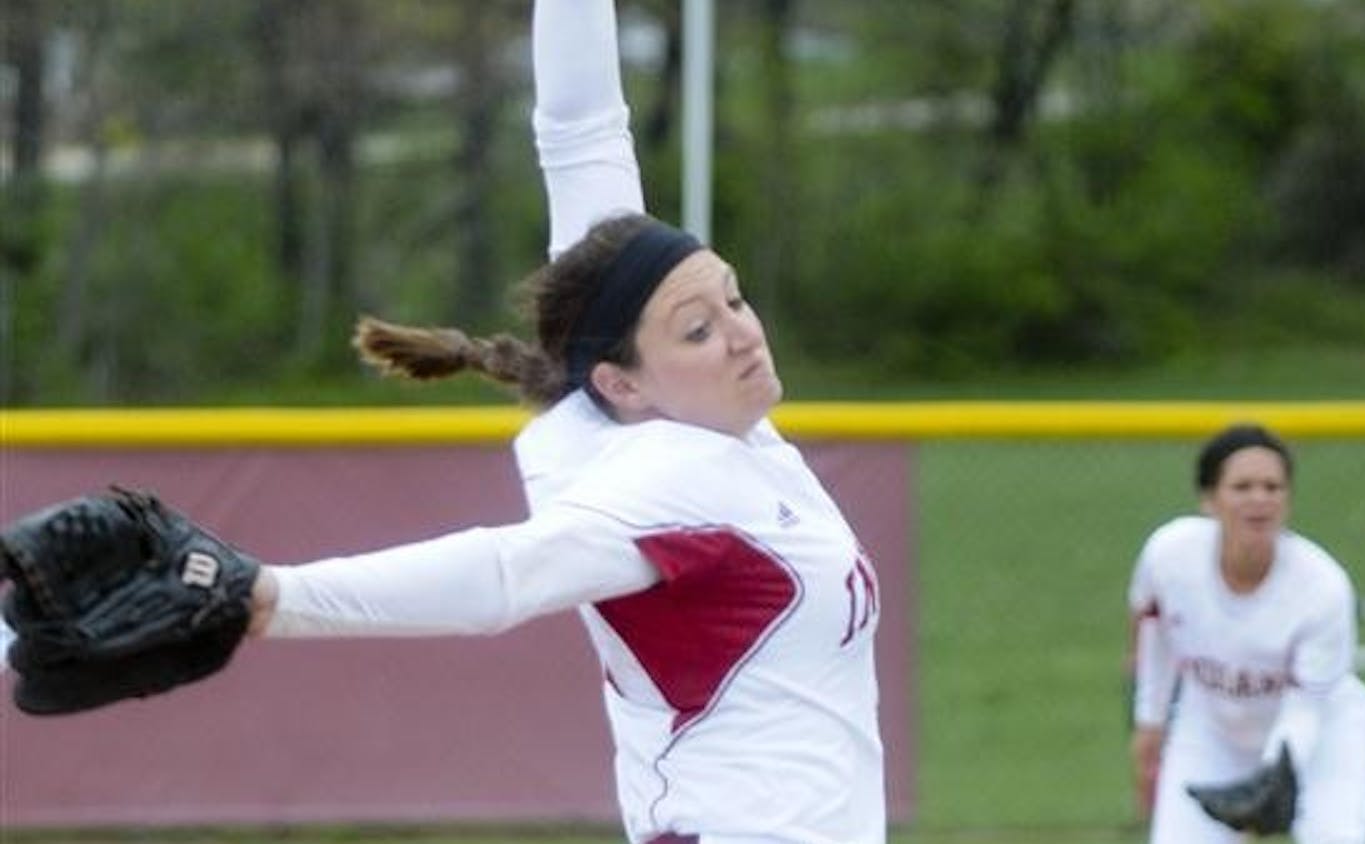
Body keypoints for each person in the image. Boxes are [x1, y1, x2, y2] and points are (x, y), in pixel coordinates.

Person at [244, 2, 887, 843]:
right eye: (698, 330)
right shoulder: (669, 480)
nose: (739, 332)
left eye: (733, 297)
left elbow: (583, 131)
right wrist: (274, 596)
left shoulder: (682, 419)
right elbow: (507, 574)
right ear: (623, 383)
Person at [1127, 423, 1365, 844]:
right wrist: (1150, 722)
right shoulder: (1170, 554)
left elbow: (1306, 707)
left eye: (1273, 486)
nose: (1259, 499)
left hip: (1324, 733)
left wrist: (1273, 775)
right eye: (1242, 486)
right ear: (1209, 499)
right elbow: (1152, 631)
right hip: (1210, 725)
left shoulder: (1321, 586)